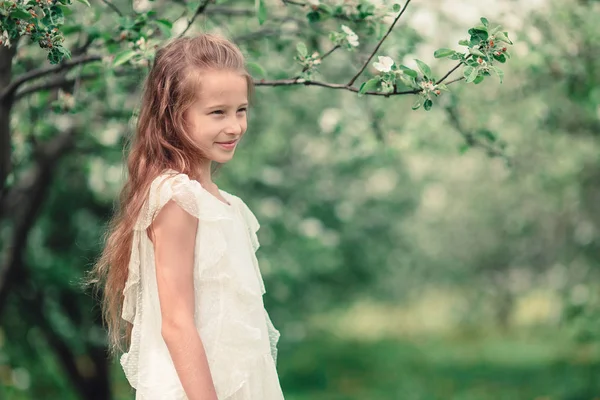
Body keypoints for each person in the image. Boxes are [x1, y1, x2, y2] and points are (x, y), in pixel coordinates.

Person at [87, 34, 285, 399]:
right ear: (174, 116)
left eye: (241, 110)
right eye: (217, 113)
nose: (235, 126)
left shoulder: (229, 206)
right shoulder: (177, 198)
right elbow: (176, 323)